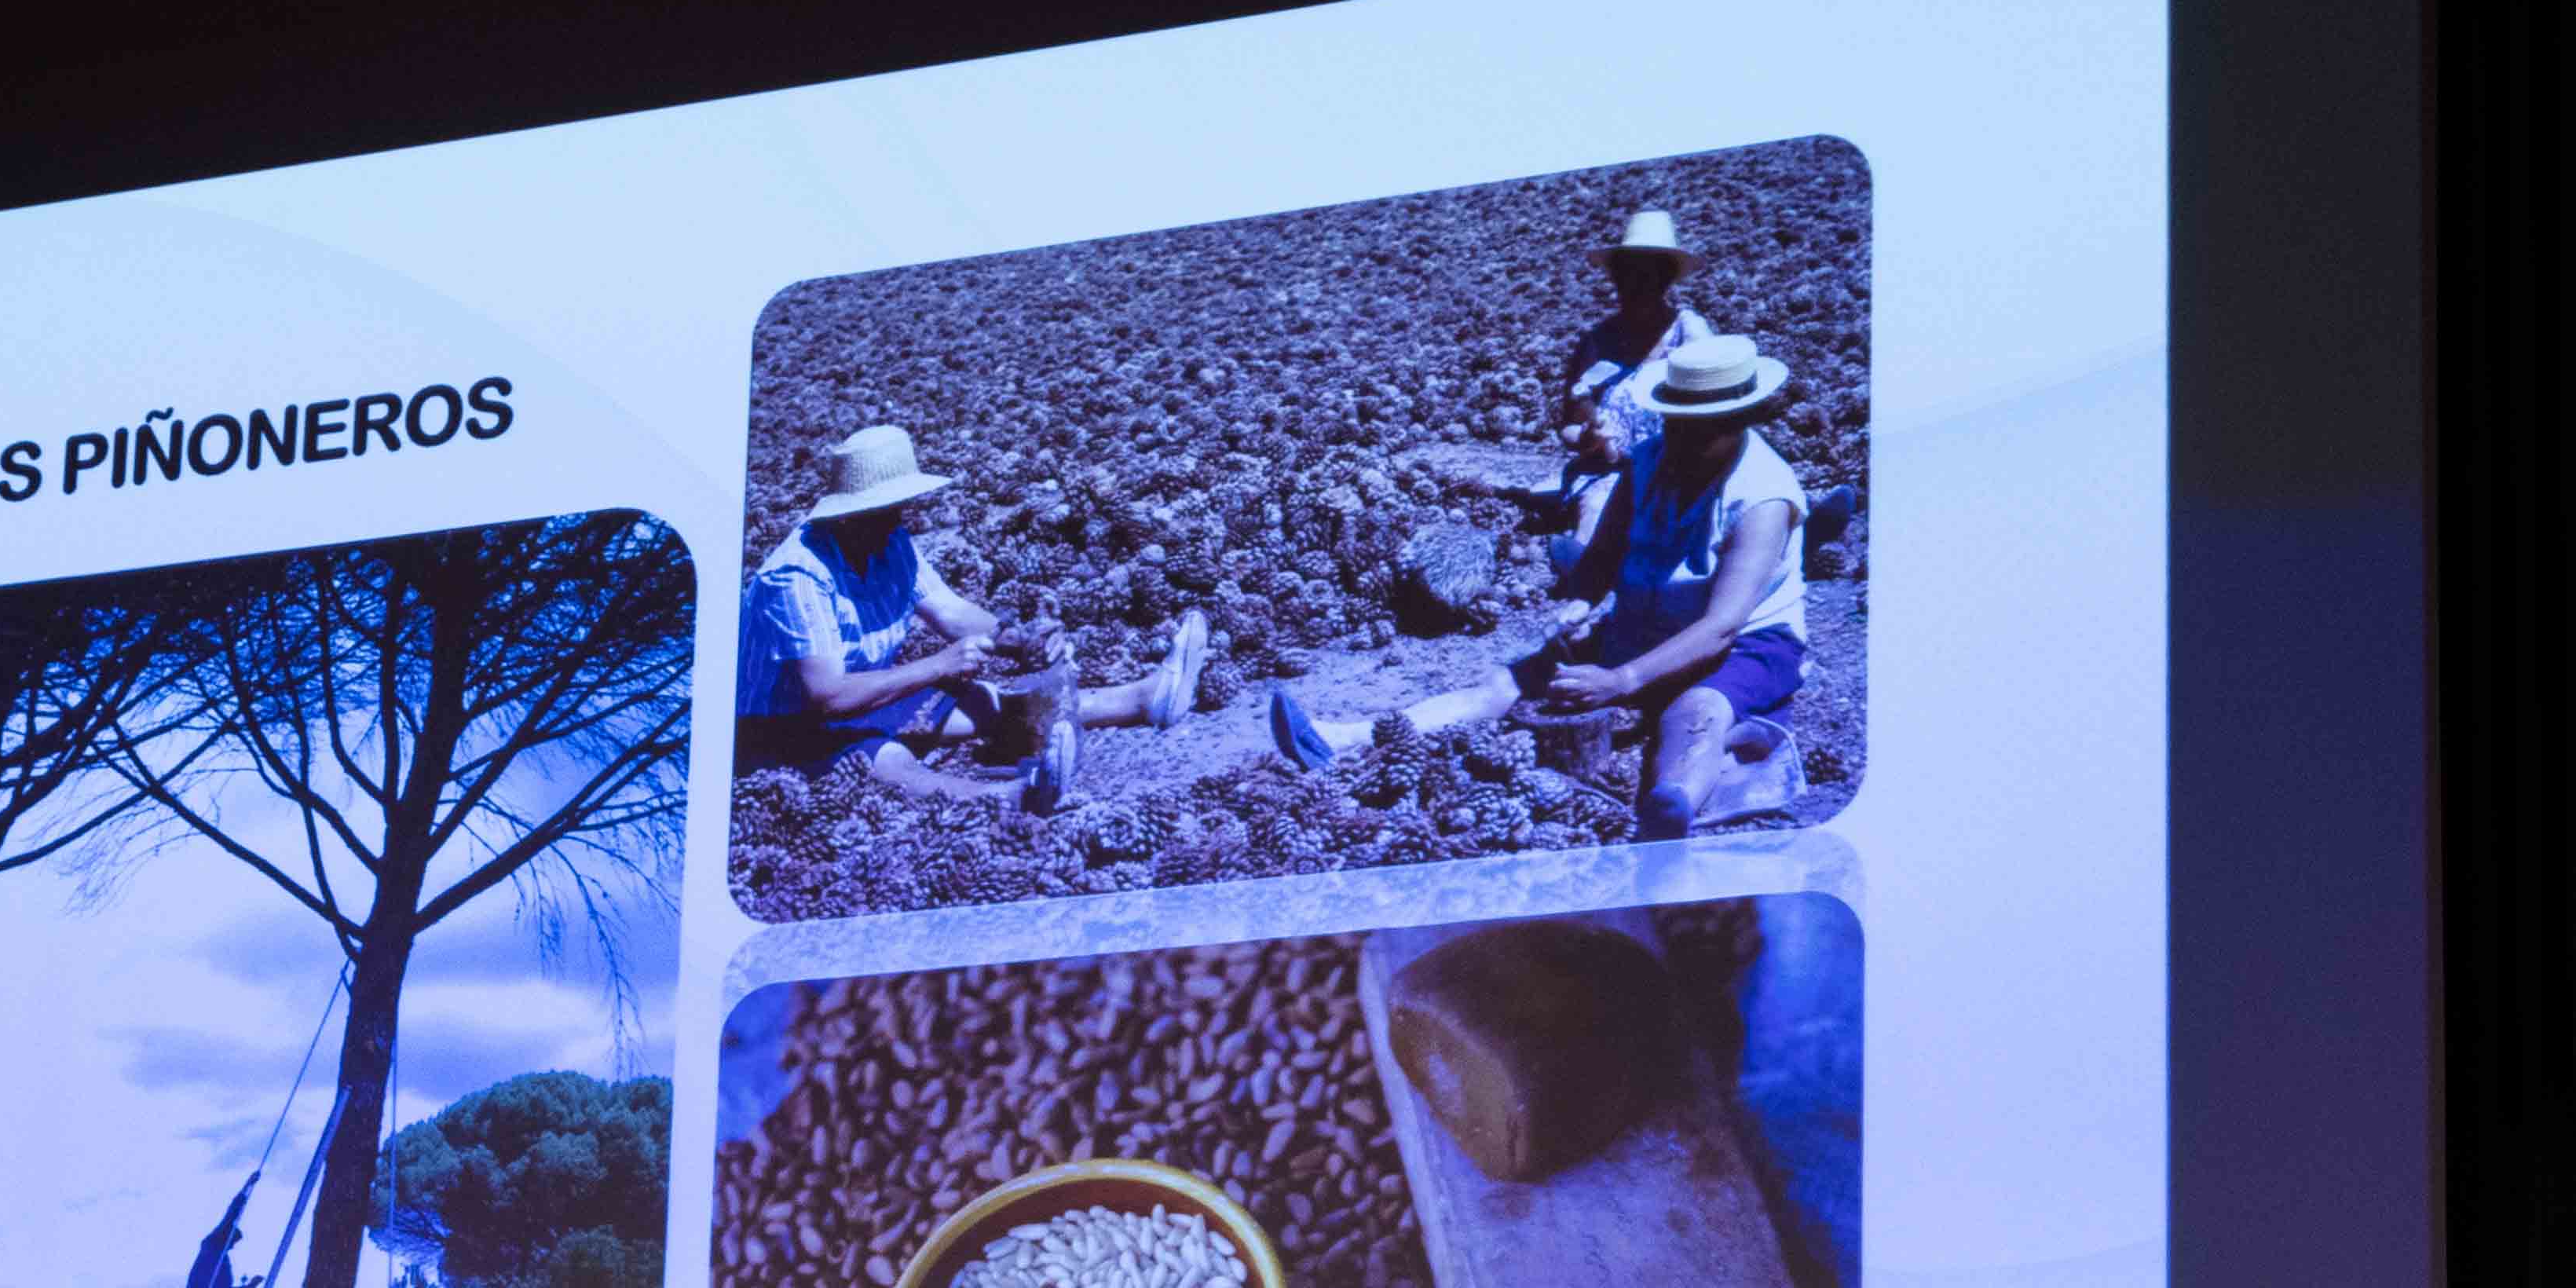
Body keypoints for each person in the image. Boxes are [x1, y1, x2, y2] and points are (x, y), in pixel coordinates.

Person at [1270, 328, 1810, 839]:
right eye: (1676, 422)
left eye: (1700, 427)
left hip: (1740, 645)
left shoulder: (1762, 495)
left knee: (1696, 710)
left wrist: (1622, 679)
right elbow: (1601, 556)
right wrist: (1576, 607)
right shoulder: (1648, 463)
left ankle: (1672, 807)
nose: (1683, 436)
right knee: (1509, 681)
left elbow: (1721, 627)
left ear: (1737, 420)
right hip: (1646, 624)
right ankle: (1350, 740)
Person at [732, 423, 1205, 812]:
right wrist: (937, 666)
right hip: (781, 729)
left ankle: (1143, 698)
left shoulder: (886, 538)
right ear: (852, 512)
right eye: (888, 507)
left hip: (868, 694)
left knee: (990, 704)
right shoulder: (796, 577)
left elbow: (950, 610)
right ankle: (1011, 798)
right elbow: (828, 697)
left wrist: (1017, 638)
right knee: (888, 763)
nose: (900, 516)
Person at [1557, 203, 1716, 482]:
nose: (1637, 286)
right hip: (1606, 474)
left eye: (1648, 276)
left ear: (1665, 280)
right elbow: (1569, 424)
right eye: (1627, 274)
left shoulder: (1689, 335)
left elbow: (1714, 417)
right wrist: (1587, 439)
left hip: (1676, 476)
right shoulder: (1596, 342)